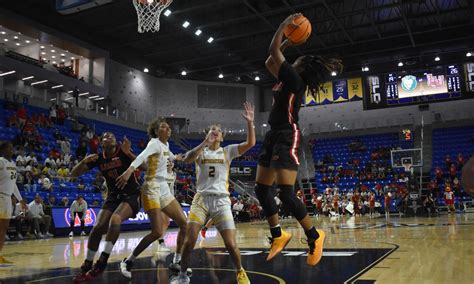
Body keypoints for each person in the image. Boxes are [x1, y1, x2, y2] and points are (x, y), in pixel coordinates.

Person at [254, 13, 342, 266]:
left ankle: (315, 236)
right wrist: (288, 43)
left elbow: (272, 50)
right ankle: (278, 234)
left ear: (301, 67)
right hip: (272, 134)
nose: (293, 60)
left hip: (286, 135)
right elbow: (270, 58)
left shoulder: (295, 80)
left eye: (297, 59)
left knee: (286, 192)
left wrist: (283, 27)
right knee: (261, 189)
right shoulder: (286, 77)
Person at [172, 102, 255, 284]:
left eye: (218, 130)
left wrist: (250, 122)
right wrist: (204, 143)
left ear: (222, 137)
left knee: (231, 244)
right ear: (208, 135)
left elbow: (251, 143)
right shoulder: (200, 152)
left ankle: (240, 272)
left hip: (221, 202)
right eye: (212, 129)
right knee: (189, 241)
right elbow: (187, 158)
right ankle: (183, 275)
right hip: (201, 200)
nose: (215, 131)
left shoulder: (227, 151)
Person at [116, 120, 188, 279]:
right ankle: (128, 261)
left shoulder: (165, 145)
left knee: (184, 224)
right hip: (150, 189)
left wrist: (178, 157)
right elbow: (141, 157)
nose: (168, 128)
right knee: (156, 232)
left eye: (169, 127)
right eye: (163, 127)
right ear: (156, 131)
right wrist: (129, 171)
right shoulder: (154, 143)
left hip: (163, 189)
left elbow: (171, 156)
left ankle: (176, 261)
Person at [70, 133, 141, 281]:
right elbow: (73, 174)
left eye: (112, 136)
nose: (110, 136)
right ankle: (87, 265)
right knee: (97, 228)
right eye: (106, 136)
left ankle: (102, 261)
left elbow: (145, 166)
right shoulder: (98, 157)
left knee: (115, 219)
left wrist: (129, 153)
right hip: (113, 197)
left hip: (131, 195)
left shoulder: (123, 152)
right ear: (101, 143)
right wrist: (83, 161)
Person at [0, 141, 23, 263]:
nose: (11, 150)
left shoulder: (13, 164)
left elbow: (14, 185)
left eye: (12, 147)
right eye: (9, 148)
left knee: (4, 228)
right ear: (3, 150)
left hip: (8, 199)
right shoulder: (0, 161)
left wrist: (21, 200)